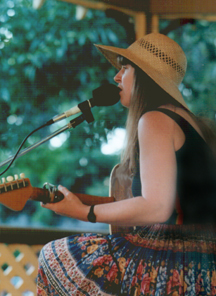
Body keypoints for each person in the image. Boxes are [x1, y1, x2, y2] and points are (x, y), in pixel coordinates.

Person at [37, 33, 216, 296]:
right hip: (205, 260)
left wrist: (84, 213)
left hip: (177, 259)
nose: (116, 77)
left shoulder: (155, 119)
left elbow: (156, 206)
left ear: (144, 74)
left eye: (125, 67)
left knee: (54, 256)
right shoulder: (191, 122)